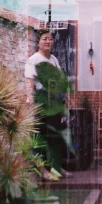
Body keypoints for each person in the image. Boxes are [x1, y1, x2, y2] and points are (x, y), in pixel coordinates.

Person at [24, 30, 72, 180]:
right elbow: (29, 81)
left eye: (50, 39)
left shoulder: (53, 59)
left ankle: (56, 169)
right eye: (44, 39)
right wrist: (31, 101)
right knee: (39, 136)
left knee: (55, 136)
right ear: (38, 42)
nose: (48, 42)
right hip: (41, 102)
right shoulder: (34, 59)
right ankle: (42, 170)